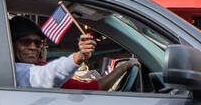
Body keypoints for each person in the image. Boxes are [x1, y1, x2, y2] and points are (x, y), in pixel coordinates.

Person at [10, 15, 139, 90]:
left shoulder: (39, 66)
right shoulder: (14, 71)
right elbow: (50, 74)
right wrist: (79, 57)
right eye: (25, 42)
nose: (33, 47)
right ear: (12, 43)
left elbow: (87, 88)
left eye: (37, 43)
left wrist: (124, 67)